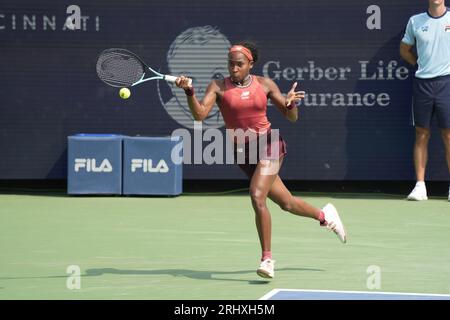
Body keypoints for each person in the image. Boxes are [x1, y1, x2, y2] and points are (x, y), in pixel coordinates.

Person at [175, 41, 347, 279]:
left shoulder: (265, 85)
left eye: (239, 64)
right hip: (243, 154)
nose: (234, 69)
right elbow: (200, 115)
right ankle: (325, 216)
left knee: (257, 195)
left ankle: (267, 259)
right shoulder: (218, 86)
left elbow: (292, 117)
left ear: (250, 64)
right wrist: (189, 91)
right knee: (286, 203)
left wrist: (291, 103)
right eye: (231, 64)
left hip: (269, 145)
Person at [400, 0, 450, 201]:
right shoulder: (415, 21)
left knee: (448, 135)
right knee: (422, 134)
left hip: (447, 82)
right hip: (423, 84)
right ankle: (420, 186)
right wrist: (419, 64)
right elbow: (405, 49)